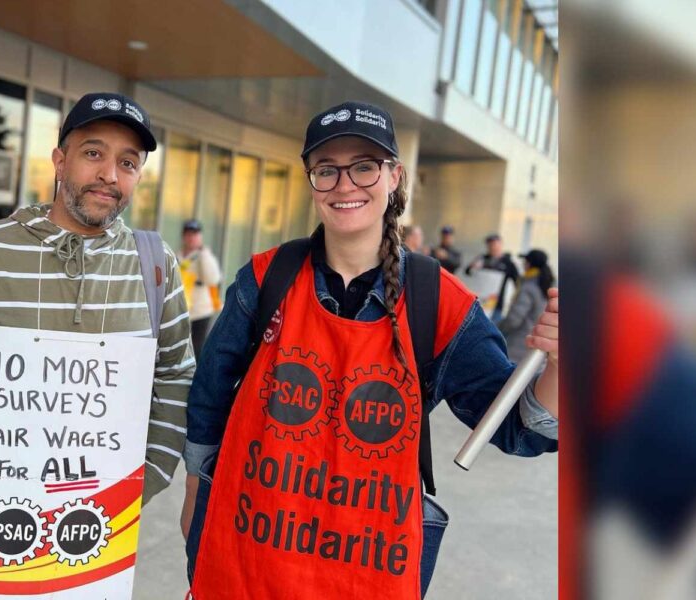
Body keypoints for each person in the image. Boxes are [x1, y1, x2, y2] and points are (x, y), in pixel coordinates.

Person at [181, 101, 560, 598]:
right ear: (310, 180)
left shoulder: (437, 301)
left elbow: (521, 431)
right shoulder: (265, 279)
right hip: (245, 563)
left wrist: (558, 364)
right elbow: (209, 400)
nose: (345, 185)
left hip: (365, 576)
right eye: (327, 170)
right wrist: (195, 496)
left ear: (394, 176)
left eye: (364, 166)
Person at [0, 92, 194, 599]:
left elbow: (177, 374)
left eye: (128, 162)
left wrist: (147, 476)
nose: (110, 175)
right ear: (59, 160)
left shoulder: (156, 266)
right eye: (94, 153)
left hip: (97, 539)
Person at [498, 249, 555, 362]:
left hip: (519, 345)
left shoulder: (528, 287)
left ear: (529, 264)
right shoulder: (548, 284)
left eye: (525, 261)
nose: (524, 264)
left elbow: (514, 319)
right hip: (539, 348)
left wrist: (497, 328)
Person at [179, 219, 223, 357]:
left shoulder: (205, 256)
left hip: (200, 312)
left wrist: (203, 253)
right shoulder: (177, 256)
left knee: (197, 350)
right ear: (184, 236)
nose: (192, 238)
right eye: (189, 234)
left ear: (200, 236)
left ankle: (194, 378)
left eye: (195, 234)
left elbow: (212, 279)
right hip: (180, 311)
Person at [464, 233, 521, 321]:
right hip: (480, 301)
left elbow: (517, 282)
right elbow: (467, 271)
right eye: (489, 244)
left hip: (496, 304)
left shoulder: (508, 262)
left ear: (500, 244)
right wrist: (473, 266)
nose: (492, 247)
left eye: (494, 244)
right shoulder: (482, 259)